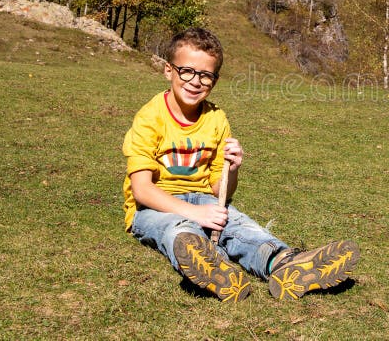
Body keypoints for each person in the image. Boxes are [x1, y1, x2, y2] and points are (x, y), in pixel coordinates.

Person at [122, 27, 359, 302]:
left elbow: (220, 189)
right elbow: (142, 190)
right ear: (168, 70)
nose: (195, 81)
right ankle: (213, 266)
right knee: (177, 230)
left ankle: (283, 263)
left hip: (204, 200)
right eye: (186, 71)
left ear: (215, 80)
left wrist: (231, 168)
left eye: (205, 75)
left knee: (240, 227)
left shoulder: (216, 119)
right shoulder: (150, 118)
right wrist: (194, 214)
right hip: (152, 206)